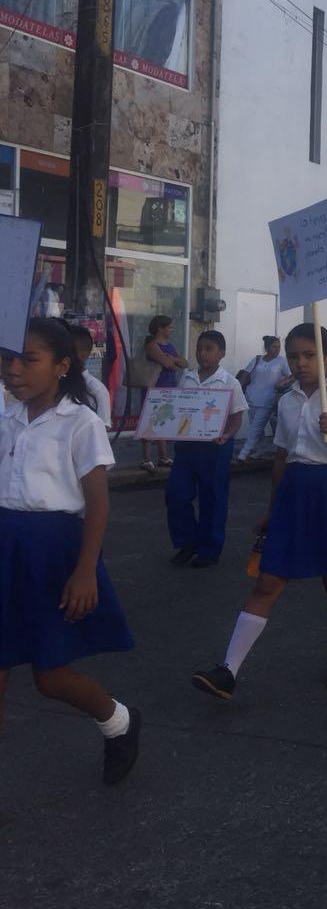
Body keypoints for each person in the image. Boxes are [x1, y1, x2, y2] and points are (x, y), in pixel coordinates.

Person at [191, 324, 327, 699]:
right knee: (268, 580)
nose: (301, 363)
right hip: (294, 491)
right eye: (294, 356)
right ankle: (228, 670)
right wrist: (272, 509)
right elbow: (281, 457)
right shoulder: (287, 399)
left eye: (309, 355)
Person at [0, 318, 140, 784]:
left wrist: (86, 572)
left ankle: (118, 721)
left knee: (50, 676)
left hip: (52, 553)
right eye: (7, 360)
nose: (13, 369)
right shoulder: (7, 418)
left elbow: (98, 503)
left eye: (27, 359)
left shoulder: (80, 422)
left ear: (62, 366)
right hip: (5, 547)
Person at [166, 330, 248, 568]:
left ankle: (209, 549)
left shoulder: (230, 382)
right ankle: (187, 541)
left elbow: (236, 418)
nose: (202, 353)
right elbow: (178, 410)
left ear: (221, 353)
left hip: (215, 447)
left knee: (212, 499)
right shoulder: (187, 377)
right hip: (187, 447)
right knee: (176, 494)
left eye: (209, 348)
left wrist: (227, 435)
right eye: (199, 348)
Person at [141, 315, 187, 471]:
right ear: (161, 328)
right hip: (154, 387)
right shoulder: (152, 345)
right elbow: (169, 365)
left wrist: (172, 358)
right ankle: (146, 459)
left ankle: (163, 456)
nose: (172, 330)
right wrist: (173, 361)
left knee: (163, 421)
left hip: (168, 387)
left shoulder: (170, 346)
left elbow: (184, 363)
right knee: (149, 422)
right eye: (169, 327)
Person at [237, 336, 292, 461]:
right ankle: (259, 450)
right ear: (267, 348)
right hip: (251, 396)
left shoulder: (282, 361)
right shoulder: (257, 359)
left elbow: (292, 375)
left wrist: (284, 381)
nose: (278, 349)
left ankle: (243, 453)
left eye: (279, 347)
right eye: (274, 347)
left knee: (256, 426)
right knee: (255, 427)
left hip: (268, 399)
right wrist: (235, 389)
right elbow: (245, 374)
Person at [68, 324, 111, 426]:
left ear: (83, 356)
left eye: (69, 351)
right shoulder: (56, 384)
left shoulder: (96, 389)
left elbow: (102, 428)